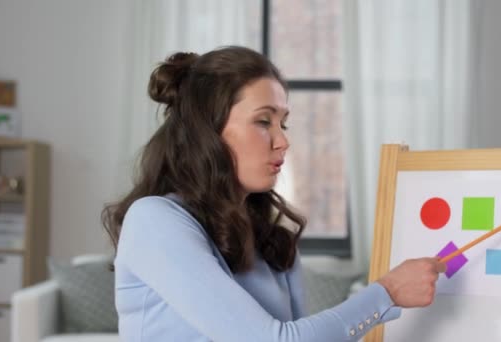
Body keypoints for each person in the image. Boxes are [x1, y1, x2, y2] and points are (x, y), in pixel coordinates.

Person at [102, 45, 446, 341]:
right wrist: (387, 293)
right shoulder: (155, 220)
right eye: (263, 122)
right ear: (207, 131)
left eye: (284, 123)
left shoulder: (273, 241)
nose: (283, 140)